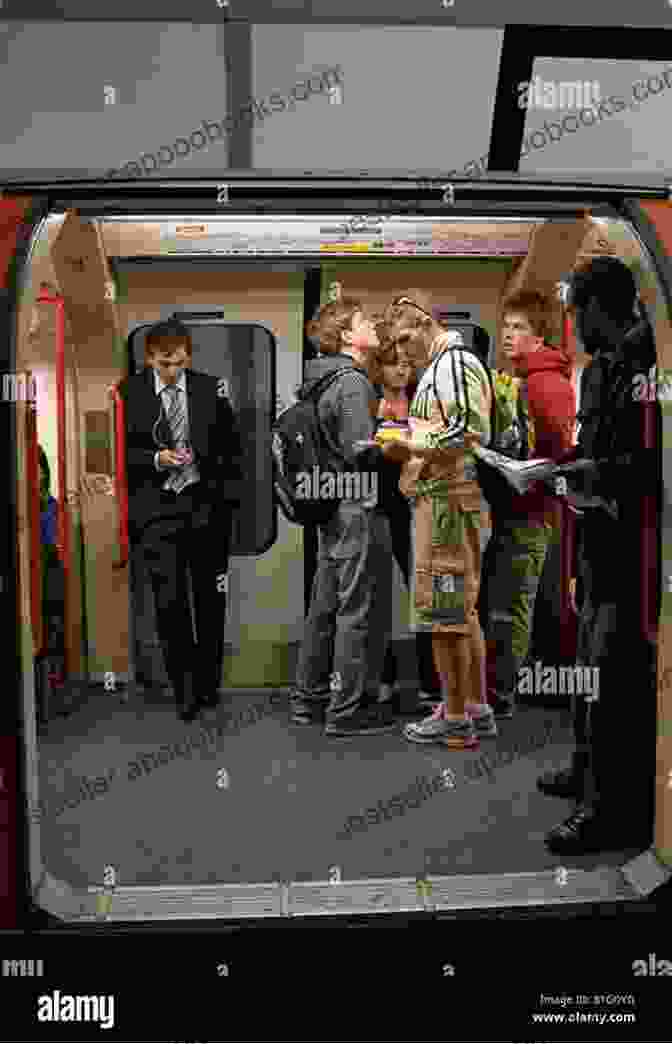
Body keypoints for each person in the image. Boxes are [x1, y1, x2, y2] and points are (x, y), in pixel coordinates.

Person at [539, 257, 659, 854]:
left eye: (577, 311)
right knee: (588, 665)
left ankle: (611, 811)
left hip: (633, 549)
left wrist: (595, 471)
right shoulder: (597, 373)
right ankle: (586, 773)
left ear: (599, 308)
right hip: (595, 538)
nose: (573, 324)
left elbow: (652, 465)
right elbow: (591, 444)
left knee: (613, 679)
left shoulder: (647, 367)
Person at [380, 290, 496, 749]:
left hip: (447, 506)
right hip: (445, 503)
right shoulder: (441, 367)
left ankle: (452, 718)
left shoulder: (452, 364)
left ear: (427, 322)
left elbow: (468, 432)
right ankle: (475, 707)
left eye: (407, 338)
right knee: (461, 614)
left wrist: (405, 446)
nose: (402, 350)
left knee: (445, 616)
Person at [118, 317, 244, 722]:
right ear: (150, 357)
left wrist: (223, 496)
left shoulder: (210, 389)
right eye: (165, 365)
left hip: (206, 509)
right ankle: (183, 691)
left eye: (180, 364)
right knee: (169, 605)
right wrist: (157, 459)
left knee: (210, 602)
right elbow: (120, 454)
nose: (174, 373)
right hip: (158, 513)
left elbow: (232, 449)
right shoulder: (129, 393)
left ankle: (208, 685)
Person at [290, 297, 399, 736]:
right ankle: (346, 710)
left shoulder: (320, 379)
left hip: (332, 507)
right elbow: (361, 455)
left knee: (324, 607)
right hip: (357, 506)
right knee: (355, 610)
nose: (372, 324)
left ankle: (308, 699)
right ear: (347, 336)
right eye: (364, 320)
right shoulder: (352, 382)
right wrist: (396, 440)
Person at [480, 291, 576, 718]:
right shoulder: (513, 378)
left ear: (539, 336)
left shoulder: (547, 385)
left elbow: (558, 455)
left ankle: (499, 696)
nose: (507, 335)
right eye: (506, 326)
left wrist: (519, 468)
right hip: (509, 508)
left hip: (531, 511)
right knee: (501, 601)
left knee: (510, 606)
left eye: (519, 328)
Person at [367, 332, 442, 713]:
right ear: (378, 367)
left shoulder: (423, 406)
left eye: (407, 362)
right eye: (393, 361)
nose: (401, 368)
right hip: (382, 510)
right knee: (384, 599)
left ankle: (425, 683)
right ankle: (383, 677)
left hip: (421, 509)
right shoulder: (367, 406)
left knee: (422, 598)